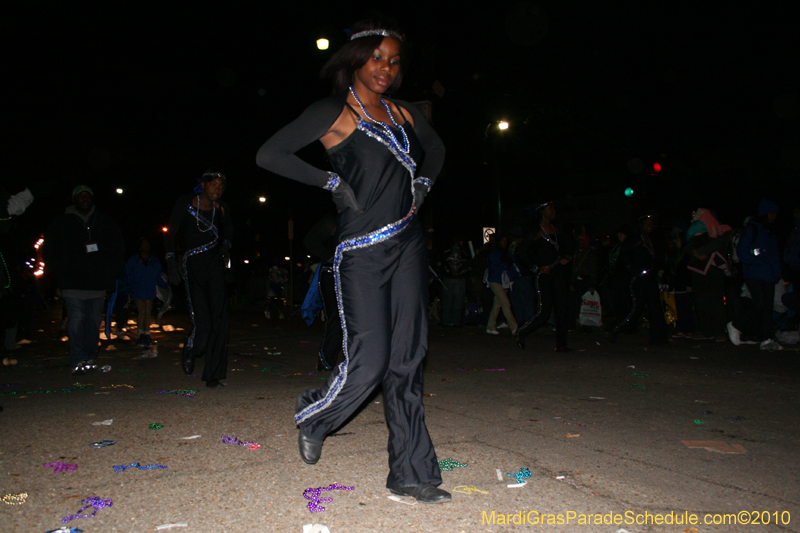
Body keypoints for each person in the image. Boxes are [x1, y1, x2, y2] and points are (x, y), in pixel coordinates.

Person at [256, 17, 449, 504]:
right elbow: (269, 154)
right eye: (376, 57)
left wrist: (423, 183)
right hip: (360, 252)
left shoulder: (404, 115)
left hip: (407, 246)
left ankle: (412, 472)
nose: (385, 68)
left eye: (393, 60)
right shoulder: (333, 111)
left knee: (408, 362)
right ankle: (314, 416)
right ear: (356, 59)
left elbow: (436, 148)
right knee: (371, 361)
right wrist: (330, 183)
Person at [43, 186, 124, 374]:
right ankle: (78, 359)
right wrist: (58, 277)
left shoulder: (105, 221)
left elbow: (117, 249)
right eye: (81, 195)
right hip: (72, 283)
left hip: (97, 283)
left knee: (93, 323)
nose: (85, 198)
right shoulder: (62, 222)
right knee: (77, 321)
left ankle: (90, 358)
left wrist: (110, 274)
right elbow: (50, 252)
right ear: (74, 199)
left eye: (88, 195)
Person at [165, 171, 233, 387]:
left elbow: (229, 229)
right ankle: (191, 349)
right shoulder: (186, 203)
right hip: (192, 266)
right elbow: (170, 232)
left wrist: (225, 246)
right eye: (213, 185)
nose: (217, 190)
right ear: (203, 185)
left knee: (219, 319)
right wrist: (170, 261)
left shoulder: (221, 208)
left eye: (221, 186)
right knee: (203, 321)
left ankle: (213, 375)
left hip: (214, 267)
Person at [515, 201, 574, 351]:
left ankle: (561, 345)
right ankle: (522, 332)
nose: (553, 211)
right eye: (550, 208)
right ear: (542, 211)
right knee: (544, 311)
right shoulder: (536, 231)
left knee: (562, 308)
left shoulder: (557, 229)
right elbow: (521, 251)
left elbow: (569, 246)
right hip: (544, 275)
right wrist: (535, 267)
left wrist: (566, 256)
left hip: (558, 273)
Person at [726, 199, 783, 351]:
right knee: (760, 303)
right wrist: (758, 259)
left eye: (775, 213)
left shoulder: (770, 231)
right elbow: (742, 252)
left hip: (769, 274)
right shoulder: (752, 229)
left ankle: (766, 338)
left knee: (768, 307)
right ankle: (736, 325)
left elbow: (775, 254)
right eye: (771, 213)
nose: (774, 216)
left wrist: (777, 273)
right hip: (755, 273)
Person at [609, 215, 669, 345]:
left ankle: (659, 338)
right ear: (641, 224)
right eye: (647, 223)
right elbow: (624, 255)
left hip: (650, 277)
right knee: (636, 307)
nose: (650, 226)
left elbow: (658, 256)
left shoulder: (652, 239)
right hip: (637, 279)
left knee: (655, 307)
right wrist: (632, 270)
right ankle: (616, 329)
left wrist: (658, 269)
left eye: (651, 224)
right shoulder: (634, 238)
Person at [685, 208, 733, 341]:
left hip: (713, 270)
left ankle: (719, 332)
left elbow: (719, 243)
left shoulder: (721, 230)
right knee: (701, 301)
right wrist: (696, 252)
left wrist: (701, 251)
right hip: (698, 270)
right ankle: (706, 331)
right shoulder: (695, 232)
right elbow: (688, 246)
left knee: (715, 301)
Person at [124, 238, 167, 347]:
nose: (146, 246)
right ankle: (140, 334)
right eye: (144, 244)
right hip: (137, 288)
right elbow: (128, 275)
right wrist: (128, 289)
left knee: (148, 311)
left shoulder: (154, 261)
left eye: (147, 244)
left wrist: (165, 286)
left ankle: (146, 334)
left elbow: (158, 276)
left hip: (149, 288)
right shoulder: (133, 260)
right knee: (141, 311)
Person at [485, 234, 519, 335]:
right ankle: (514, 327)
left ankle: (490, 326)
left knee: (497, 305)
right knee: (505, 303)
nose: (504, 243)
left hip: (504, 281)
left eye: (505, 240)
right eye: (502, 241)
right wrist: (505, 264)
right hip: (495, 281)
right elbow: (494, 269)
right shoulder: (494, 253)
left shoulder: (507, 253)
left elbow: (513, 266)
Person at [439, 236, 470, 326]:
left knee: (447, 301)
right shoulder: (464, 251)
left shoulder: (446, 251)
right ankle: (456, 322)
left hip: (448, 278)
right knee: (458, 301)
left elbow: (441, 262)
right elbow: (468, 264)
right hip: (459, 279)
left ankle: (446, 321)